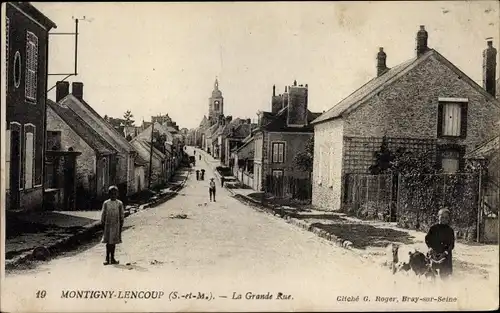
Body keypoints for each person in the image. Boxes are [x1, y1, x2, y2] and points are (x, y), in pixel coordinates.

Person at [425, 208, 455, 279]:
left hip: (445, 255)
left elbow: (451, 244)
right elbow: (427, 239)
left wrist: (445, 253)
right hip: (434, 253)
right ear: (438, 217)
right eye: (442, 217)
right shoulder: (433, 228)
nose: (444, 219)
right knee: (430, 272)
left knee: (444, 276)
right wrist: (430, 248)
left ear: (448, 219)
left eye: (446, 218)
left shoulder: (450, 230)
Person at [101, 186, 124, 266]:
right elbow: (103, 215)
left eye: (115, 194)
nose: (113, 195)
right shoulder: (106, 203)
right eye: (111, 194)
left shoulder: (119, 203)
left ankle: (113, 258)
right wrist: (103, 225)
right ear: (109, 194)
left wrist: (120, 227)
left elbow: (121, 216)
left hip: (116, 225)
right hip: (108, 225)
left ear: (117, 194)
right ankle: (107, 258)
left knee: (113, 242)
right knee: (108, 242)